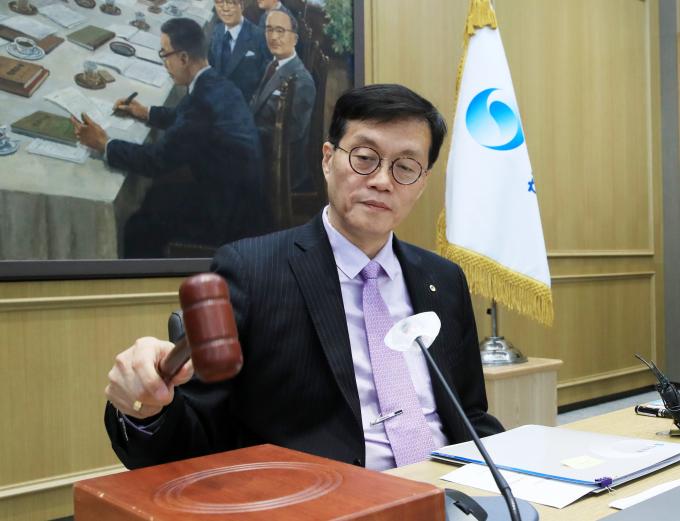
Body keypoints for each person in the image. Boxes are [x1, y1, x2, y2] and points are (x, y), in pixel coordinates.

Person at [104, 83, 503, 471]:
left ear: (422, 182)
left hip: (450, 486)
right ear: (328, 159)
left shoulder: (443, 279)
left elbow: (469, 414)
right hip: (332, 496)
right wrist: (145, 408)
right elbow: (193, 435)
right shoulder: (253, 270)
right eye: (365, 157)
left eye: (405, 167)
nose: (383, 180)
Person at [72, 18, 268, 258]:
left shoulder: (201, 101)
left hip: (229, 215)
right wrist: (146, 112)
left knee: (137, 227)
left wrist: (104, 144)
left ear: (184, 58)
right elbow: (186, 118)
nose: (164, 63)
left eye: (165, 54)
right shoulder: (215, 82)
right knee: (154, 197)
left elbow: (156, 160)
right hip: (239, 195)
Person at [250, 9, 315, 191]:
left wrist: (246, 135)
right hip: (262, 146)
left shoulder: (301, 80)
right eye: (269, 30)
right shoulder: (274, 64)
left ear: (294, 39)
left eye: (280, 31)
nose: (273, 37)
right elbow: (256, 103)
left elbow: (290, 133)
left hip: (282, 165)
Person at [208, 0, 270, 102]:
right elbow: (211, 66)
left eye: (230, 2)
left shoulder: (260, 37)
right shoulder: (217, 31)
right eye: (219, 2)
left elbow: (267, 78)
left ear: (241, 5)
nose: (225, 8)